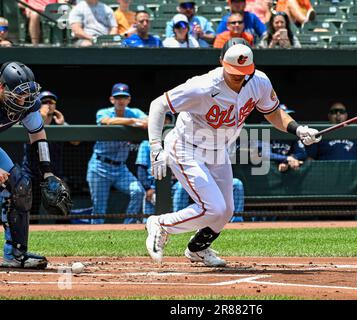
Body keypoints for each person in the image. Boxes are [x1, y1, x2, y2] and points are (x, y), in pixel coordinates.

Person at [145, 38, 321, 267]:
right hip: (187, 147)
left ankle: (198, 249)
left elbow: (273, 113)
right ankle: (160, 224)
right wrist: (155, 148)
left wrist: (298, 129)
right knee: (213, 208)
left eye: (244, 71)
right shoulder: (203, 86)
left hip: (218, 150)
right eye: (234, 71)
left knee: (226, 210)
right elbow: (158, 105)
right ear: (221, 63)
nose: (240, 76)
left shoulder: (258, 81)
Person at [0, 61, 71, 269]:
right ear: (2, 88)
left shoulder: (28, 106)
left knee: (20, 185)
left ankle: (15, 254)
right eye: (18, 94)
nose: (24, 99)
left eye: (28, 93)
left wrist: (47, 172)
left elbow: (38, 135)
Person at [86, 83, 147, 224]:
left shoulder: (135, 112)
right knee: (99, 209)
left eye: (124, 97)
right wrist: (132, 122)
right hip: (100, 166)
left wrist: (141, 121)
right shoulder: (104, 111)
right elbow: (106, 121)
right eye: (118, 97)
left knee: (138, 192)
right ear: (112, 99)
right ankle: (95, 238)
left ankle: (127, 227)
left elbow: (149, 120)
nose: (121, 100)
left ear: (129, 99)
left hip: (120, 169)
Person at [22, 91, 75, 219]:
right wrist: (43, 115)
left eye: (51, 102)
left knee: (62, 211)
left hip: (53, 173)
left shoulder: (59, 123)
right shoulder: (29, 120)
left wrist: (63, 125)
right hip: (32, 173)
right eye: (44, 102)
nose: (48, 105)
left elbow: (75, 141)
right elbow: (32, 136)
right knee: (31, 212)